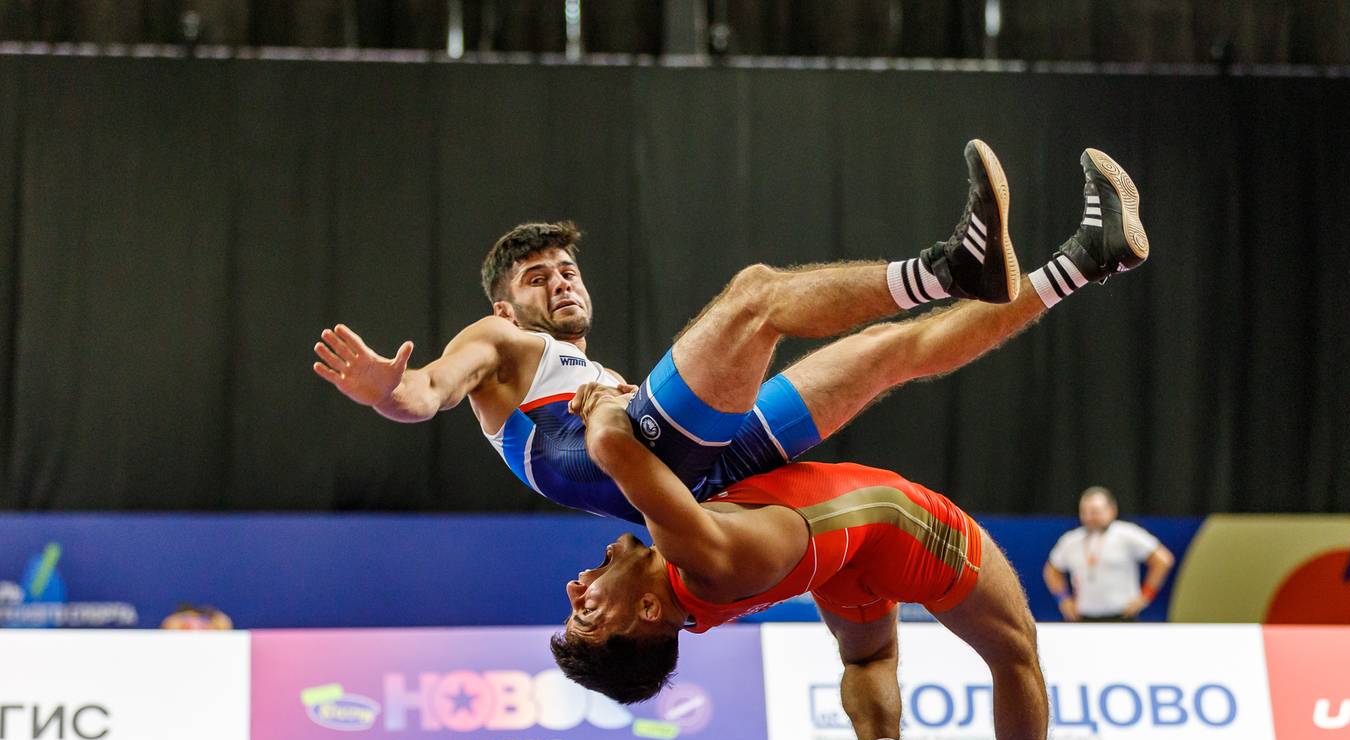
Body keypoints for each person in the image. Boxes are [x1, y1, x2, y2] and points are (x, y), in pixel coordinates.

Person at [312, 144, 1149, 525]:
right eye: (538, 277)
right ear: (503, 307)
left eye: (567, 268)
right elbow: (429, 391)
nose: (561, 280)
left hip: (699, 472)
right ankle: (946, 268)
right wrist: (387, 391)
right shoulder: (498, 345)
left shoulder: (580, 369)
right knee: (755, 298)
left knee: (891, 353)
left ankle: (1086, 259)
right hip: (647, 456)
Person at [551, 380, 1065, 740]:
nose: (576, 588)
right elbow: (616, 448)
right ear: (646, 612)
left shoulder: (692, 606)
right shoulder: (688, 550)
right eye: (587, 612)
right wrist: (601, 404)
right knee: (1014, 652)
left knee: (867, 658)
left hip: (839, 568)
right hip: (895, 522)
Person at [1043, 486, 1176, 622]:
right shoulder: (1071, 540)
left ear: (1111, 510)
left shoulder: (1127, 534)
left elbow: (1163, 560)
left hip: (1122, 617)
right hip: (1083, 618)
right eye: (1084, 512)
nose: (1089, 517)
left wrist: (1145, 596)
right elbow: (1052, 570)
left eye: (1094, 512)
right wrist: (1063, 599)